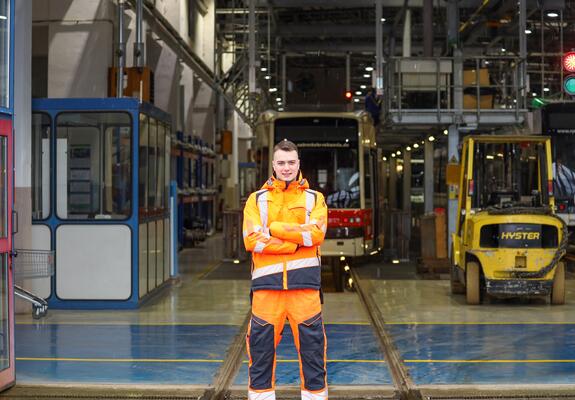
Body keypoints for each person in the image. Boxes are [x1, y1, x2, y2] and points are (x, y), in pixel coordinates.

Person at [243, 140, 328, 400]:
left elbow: (316, 234)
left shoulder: (315, 199)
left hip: (305, 292)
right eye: (281, 162)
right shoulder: (256, 200)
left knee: (313, 355)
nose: (287, 167)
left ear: (299, 164)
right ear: (273, 165)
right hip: (267, 292)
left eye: (291, 162)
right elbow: (251, 240)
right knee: (260, 355)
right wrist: (294, 243)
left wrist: (274, 231)